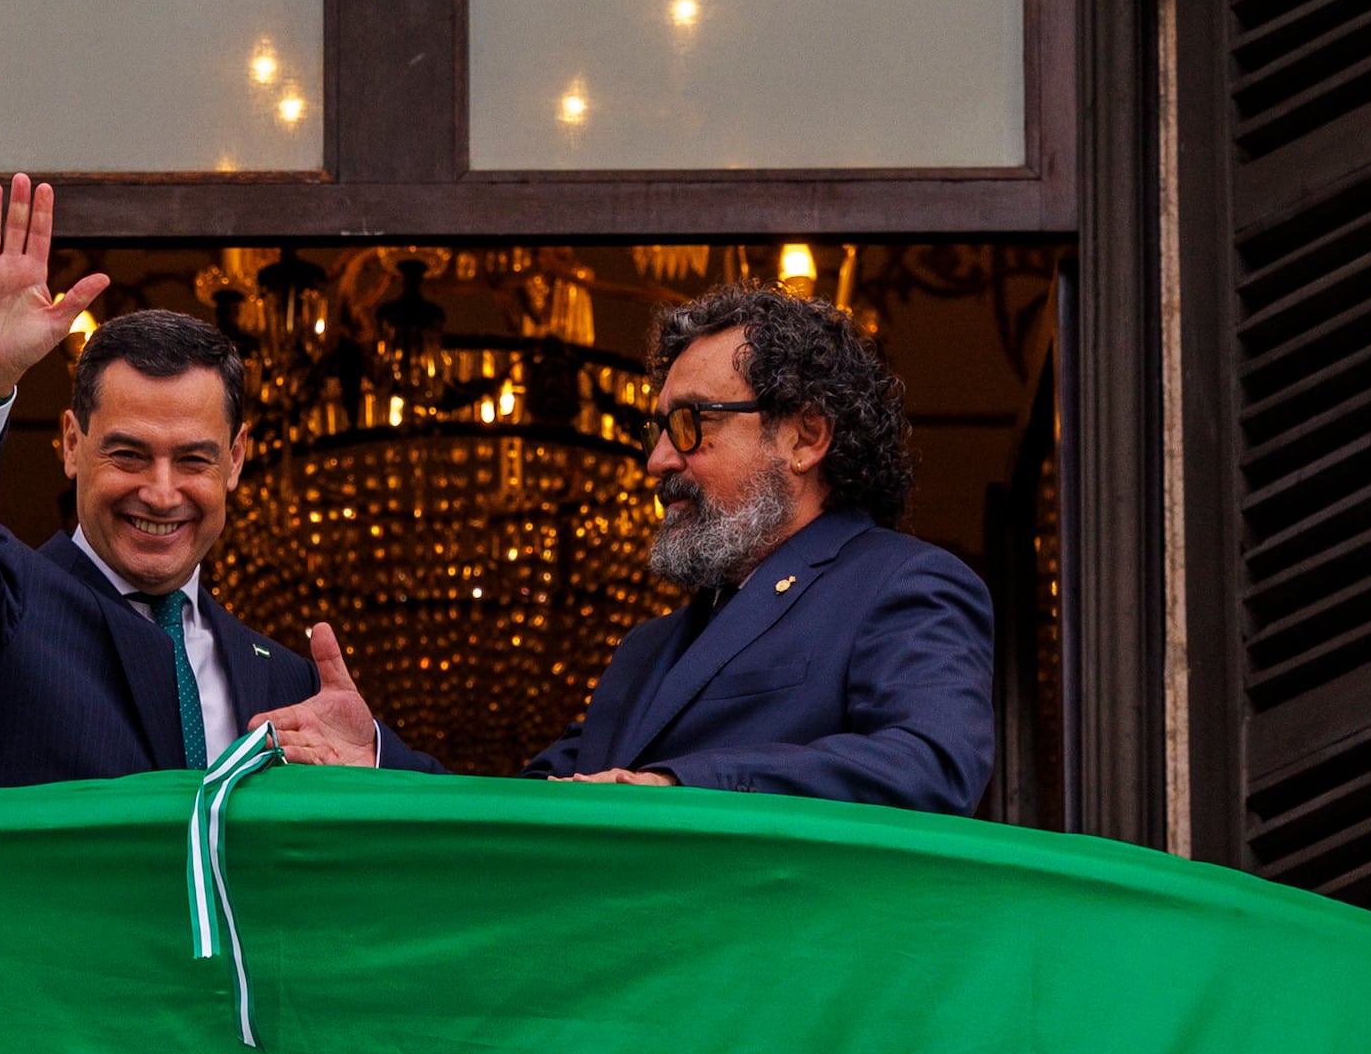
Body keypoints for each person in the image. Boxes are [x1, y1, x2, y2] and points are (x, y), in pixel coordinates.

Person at [271, 283, 994, 807]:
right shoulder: (645, 652)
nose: (657, 462)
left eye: (691, 425)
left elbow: (929, 761)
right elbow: (531, 814)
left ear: (805, 436)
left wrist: (677, 787)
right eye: (657, 430)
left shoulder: (904, 584)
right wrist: (376, 758)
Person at [0, 173, 429, 788]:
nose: (162, 494)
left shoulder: (290, 684)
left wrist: (376, 762)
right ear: (72, 445)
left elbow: (453, 835)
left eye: (193, 461)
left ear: (236, 461)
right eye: (129, 456)